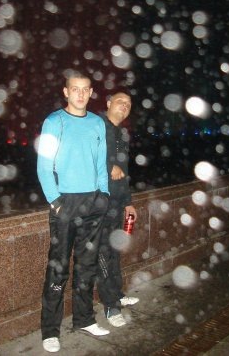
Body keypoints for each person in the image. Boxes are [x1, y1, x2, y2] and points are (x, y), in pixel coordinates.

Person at [36, 70, 111, 353]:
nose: (80, 94)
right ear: (66, 92)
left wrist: (103, 195)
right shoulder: (54, 122)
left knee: (87, 266)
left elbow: (101, 162)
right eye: (75, 89)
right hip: (65, 203)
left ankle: (84, 319)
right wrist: (56, 201)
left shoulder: (97, 123)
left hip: (93, 202)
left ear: (91, 92)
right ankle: (50, 330)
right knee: (58, 268)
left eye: (85, 89)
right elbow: (44, 166)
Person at [97, 92, 139, 328]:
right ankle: (111, 307)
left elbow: (124, 171)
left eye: (128, 104)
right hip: (98, 203)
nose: (125, 106)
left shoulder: (122, 133)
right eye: (120, 101)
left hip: (115, 203)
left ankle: (117, 295)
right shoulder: (97, 126)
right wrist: (108, 166)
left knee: (114, 252)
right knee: (103, 254)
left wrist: (128, 202)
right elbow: (86, 157)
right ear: (108, 103)